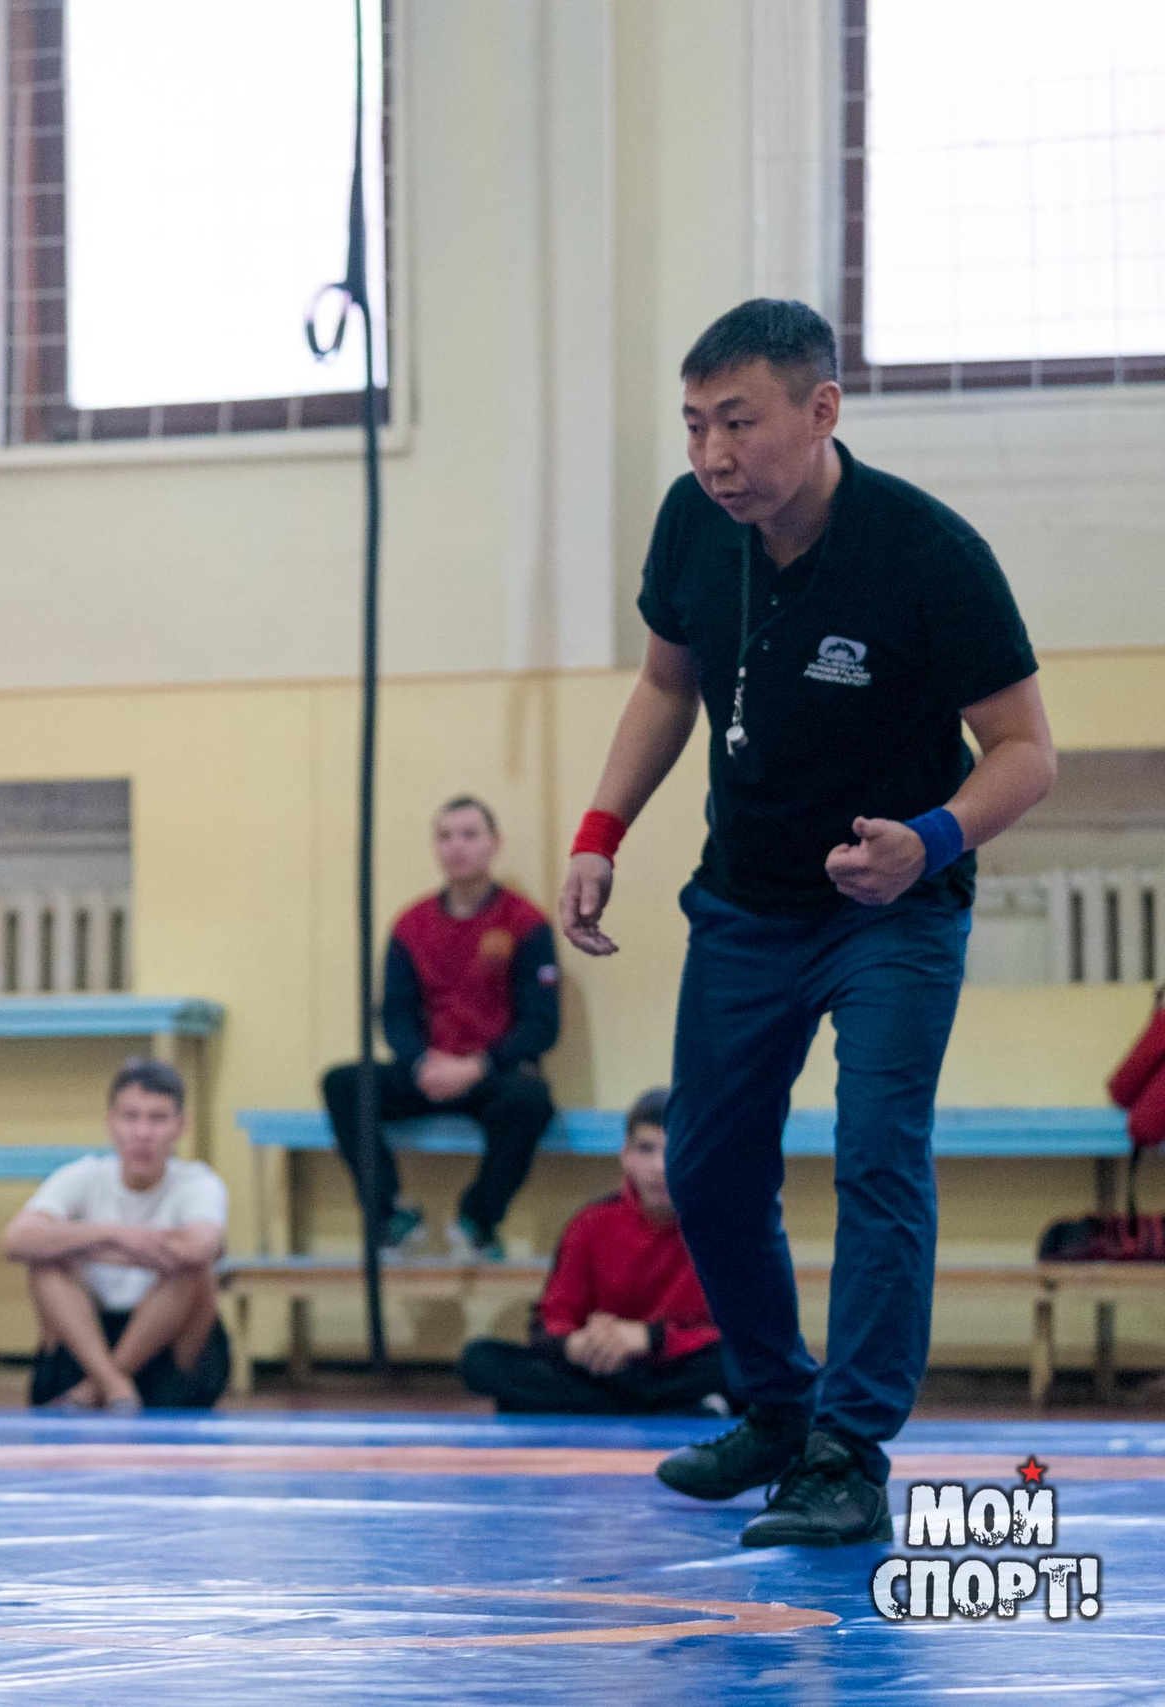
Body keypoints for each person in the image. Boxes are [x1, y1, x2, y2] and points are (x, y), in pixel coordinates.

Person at [561, 299, 1056, 1547]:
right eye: (691, 426)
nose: (712, 455)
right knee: (707, 1166)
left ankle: (849, 1447)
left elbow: (1026, 754)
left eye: (738, 422)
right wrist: (599, 832)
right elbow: (666, 685)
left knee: (879, 1152)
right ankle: (777, 1411)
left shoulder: (925, 552)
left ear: (820, 410)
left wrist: (929, 840)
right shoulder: (692, 523)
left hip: (890, 907)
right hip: (745, 902)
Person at [321, 796, 558, 1261]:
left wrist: (477, 1067)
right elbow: (393, 1014)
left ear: (495, 843)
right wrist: (421, 1062)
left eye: (470, 835)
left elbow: (542, 1025)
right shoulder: (411, 926)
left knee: (530, 1101)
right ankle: (390, 1215)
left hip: (494, 1076)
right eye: (445, 836)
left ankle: (478, 1220)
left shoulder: (526, 924)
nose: (457, 847)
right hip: (427, 1071)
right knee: (344, 1084)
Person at [457, 1089, 726, 1415]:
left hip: (676, 1365)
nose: (659, 1166)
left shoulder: (723, 1228)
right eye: (646, 1149)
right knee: (481, 1359)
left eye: (674, 1150)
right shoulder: (591, 1223)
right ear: (625, 1154)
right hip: (603, 1368)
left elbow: (739, 1333)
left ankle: (603, 1404)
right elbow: (551, 1323)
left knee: (738, 1366)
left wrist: (648, 1338)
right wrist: (576, 1346)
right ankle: (672, 1406)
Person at [2, 1058, 231, 1414]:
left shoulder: (197, 1181)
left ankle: (101, 1386)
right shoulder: (84, 1175)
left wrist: (84, 1246)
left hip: (170, 1350)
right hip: (84, 1339)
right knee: (44, 1261)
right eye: (131, 1117)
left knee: (195, 1269)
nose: (142, 1132)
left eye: (157, 1118)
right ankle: (112, 1383)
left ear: (180, 1126)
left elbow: (203, 1246)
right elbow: (16, 1239)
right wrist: (118, 1236)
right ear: (111, 1122)